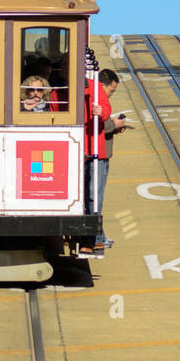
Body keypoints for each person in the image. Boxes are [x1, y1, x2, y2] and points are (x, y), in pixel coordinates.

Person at [95, 68, 135, 249]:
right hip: (99, 154)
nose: (111, 94)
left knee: (97, 197)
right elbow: (96, 123)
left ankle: (99, 235)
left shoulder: (99, 99)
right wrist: (114, 124)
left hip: (103, 152)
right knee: (97, 197)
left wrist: (113, 125)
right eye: (111, 90)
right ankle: (97, 236)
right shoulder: (96, 99)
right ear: (103, 85)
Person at [80, 74, 112, 257]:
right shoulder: (61, 89)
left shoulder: (95, 86)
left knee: (94, 197)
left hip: (94, 149)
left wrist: (102, 112)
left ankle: (93, 239)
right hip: (75, 148)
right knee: (81, 197)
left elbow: (106, 110)